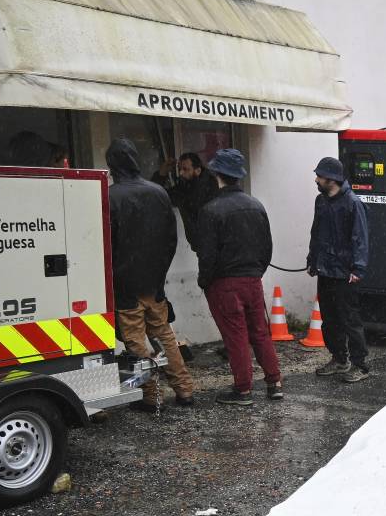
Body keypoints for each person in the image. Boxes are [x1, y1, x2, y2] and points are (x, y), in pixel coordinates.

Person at [106, 138, 194, 408]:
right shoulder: (158, 192)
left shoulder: (110, 197)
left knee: (136, 342)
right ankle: (185, 390)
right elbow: (170, 239)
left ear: (112, 165)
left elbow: (108, 245)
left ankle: (151, 395)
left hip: (125, 285)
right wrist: (159, 273)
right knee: (164, 335)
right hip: (154, 282)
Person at [196, 148, 284, 406]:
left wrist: (205, 280)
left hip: (224, 283)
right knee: (260, 332)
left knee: (235, 336)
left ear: (217, 175)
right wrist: (256, 271)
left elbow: (207, 254)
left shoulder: (211, 210)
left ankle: (243, 389)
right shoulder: (256, 205)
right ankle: (274, 382)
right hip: (252, 280)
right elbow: (266, 247)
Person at [307, 157, 371, 383]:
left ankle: (360, 365)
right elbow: (316, 233)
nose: (316, 179)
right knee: (330, 319)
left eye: (320, 176)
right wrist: (312, 260)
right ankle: (339, 359)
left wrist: (358, 268)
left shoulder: (352, 203)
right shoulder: (321, 201)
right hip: (325, 270)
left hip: (345, 273)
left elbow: (360, 238)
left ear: (331, 179)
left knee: (349, 319)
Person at [153, 152, 219, 252]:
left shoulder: (208, 187)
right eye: (179, 169)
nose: (181, 173)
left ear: (197, 170)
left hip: (213, 245)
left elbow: (192, 202)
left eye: (185, 169)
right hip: (203, 245)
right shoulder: (186, 186)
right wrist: (162, 174)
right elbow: (159, 197)